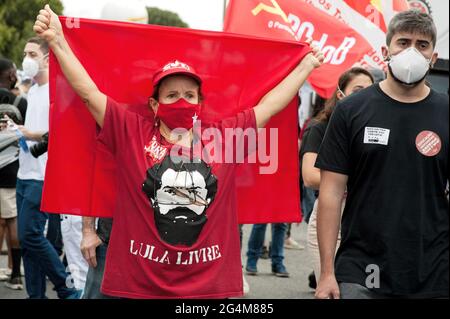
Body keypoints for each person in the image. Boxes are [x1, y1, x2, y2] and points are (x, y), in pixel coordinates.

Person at [34, 4, 324, 298]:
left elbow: (271, 105)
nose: (181, 101)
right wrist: (57, 41)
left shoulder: (223, 137)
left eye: (189, 95)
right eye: (171, 95)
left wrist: (307, 65)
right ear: (154, 105)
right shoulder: (131, 131)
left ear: (200, 103)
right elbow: (87, 92)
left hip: (203, 287)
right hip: (138, 284)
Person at [315, 10, 448, 299]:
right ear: (386, 51)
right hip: (360, 268)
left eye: (422, 45)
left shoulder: (447, 113)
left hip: (434, 271)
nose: (412, 51)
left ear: (433, 57)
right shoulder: (351, 110)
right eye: (404, 42)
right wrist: (326, 273)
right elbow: (331, 193)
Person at [14, 37, 79, 299]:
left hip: (42, 175)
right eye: (25, 53)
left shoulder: (58, 88)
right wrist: (16, 131)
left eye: (32, 53)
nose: (26, 59)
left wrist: (30, 134)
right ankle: (36, 295)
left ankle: (66, 288)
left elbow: (62, 130)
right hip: (23, 172)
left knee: (30, 235)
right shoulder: (32, 90)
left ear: (47, 58)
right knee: (27, 244)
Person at [301, 67, 374, 291]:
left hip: (365, 221)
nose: (364, 96)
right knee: (335, 288)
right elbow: (310, 177)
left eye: (369, 91)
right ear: (340, 94)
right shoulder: (320, 128)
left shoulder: (373, 130)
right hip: (331, 216)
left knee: (360, 290)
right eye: (357, 90)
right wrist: (352, 180)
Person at [0, 57, 28, 290]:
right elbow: (28, 136)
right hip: (13, 168)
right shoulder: (21, 101)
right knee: (11, 220)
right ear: (11, 75)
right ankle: (15, 273)